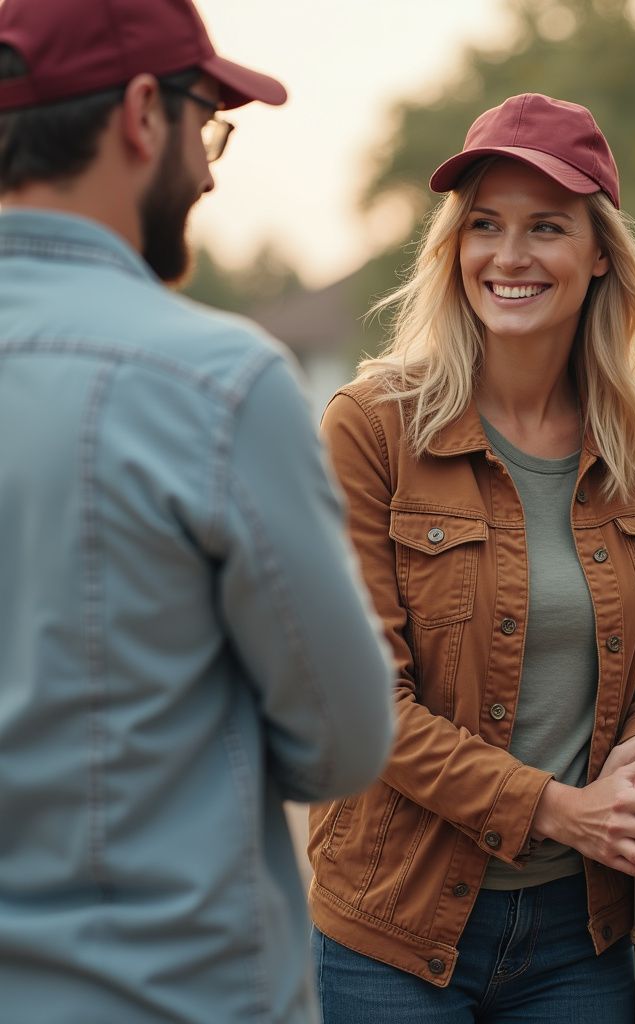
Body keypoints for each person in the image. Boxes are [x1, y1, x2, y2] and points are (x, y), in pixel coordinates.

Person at [0, 1, 395, 1021]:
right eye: (206, 122)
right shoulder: (216, 382)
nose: (212, 168)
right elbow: (344, 745)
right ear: (142, 114)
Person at [309, 93, 635, 1023]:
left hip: (587, 931)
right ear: (454, 246)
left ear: (600, 251)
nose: (510, 256)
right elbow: (366, 703)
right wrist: (560, 809)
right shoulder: (373, 430)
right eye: (484, 224)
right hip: (394, 928)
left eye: (547, 227)